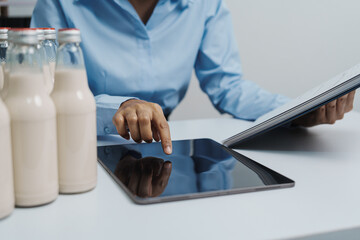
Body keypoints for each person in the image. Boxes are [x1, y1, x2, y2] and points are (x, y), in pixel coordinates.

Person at [31, 0, 355, 155]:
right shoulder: (59, 4)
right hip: (79, 147)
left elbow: (228, 86)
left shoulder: (203, 4)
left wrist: (296, 111)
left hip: (165, 154)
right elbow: (43, 94)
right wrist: (119, 107)